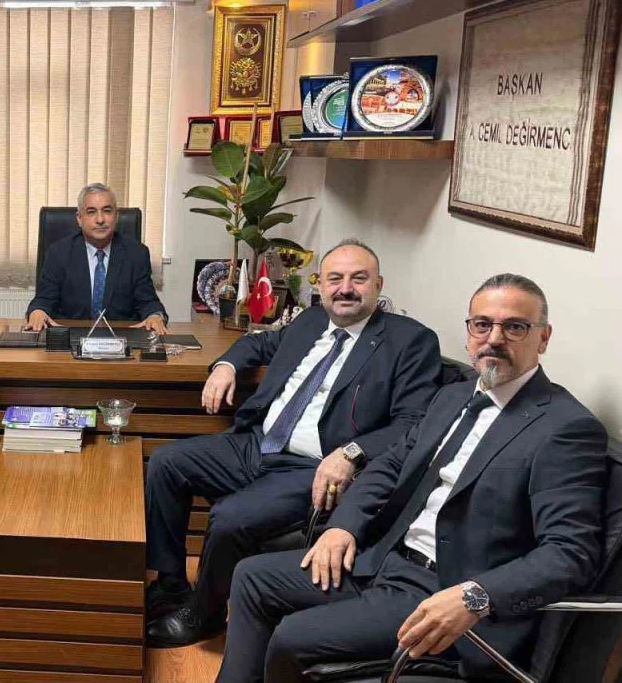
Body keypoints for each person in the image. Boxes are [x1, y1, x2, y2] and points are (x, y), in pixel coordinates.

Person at [216, 274, 607, 683]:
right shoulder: (453, 396)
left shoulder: (565, 428)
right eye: (482, 325)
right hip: (385, 558)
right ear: (469, 332)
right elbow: (389, 466)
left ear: (543, 338)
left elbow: (570, 553)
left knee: (292, 637)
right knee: (252, 577)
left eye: (515, 327)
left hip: (446, 593)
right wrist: (342, 527)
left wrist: (475, 596)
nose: (494, 338)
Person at [145, 240, 441, 648]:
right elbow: (257, 343)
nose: (345, 288)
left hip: (314, 466)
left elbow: (414, 423)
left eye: (358, 278)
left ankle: (204, 614)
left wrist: (352, 453)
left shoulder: (410, 340)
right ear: (320, 285)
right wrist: (226, 366)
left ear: (379, 285)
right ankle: (172, 583)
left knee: (229, 518)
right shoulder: (311, 321)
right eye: (335, 279)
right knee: (165, 462)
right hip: (257, 445)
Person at [25, 183, 169, 335]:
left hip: (122, 338)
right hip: (71, 338)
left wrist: (155, 316)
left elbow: (148, 301)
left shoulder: (136, 254)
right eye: (91, 212)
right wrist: (38, 311)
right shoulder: (59, 253)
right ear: (79, 218)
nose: (100, 219)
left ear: (116, 216)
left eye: (107, 211)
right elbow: (44, 299)